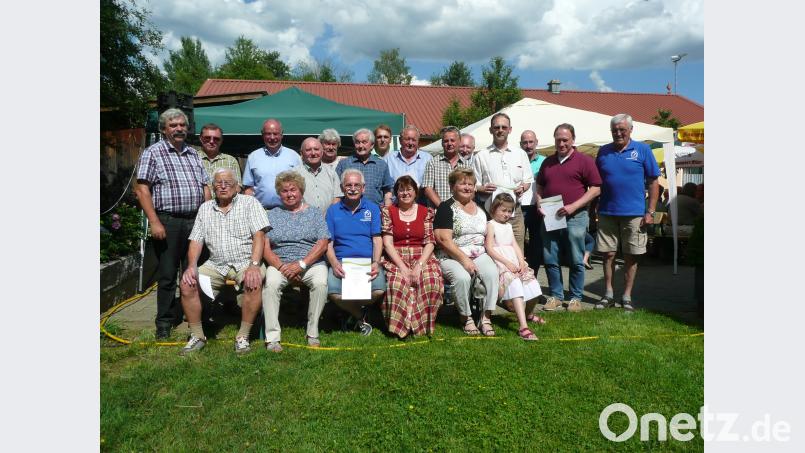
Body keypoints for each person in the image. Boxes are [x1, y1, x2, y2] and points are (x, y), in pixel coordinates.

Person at [135, 108, 211, 339]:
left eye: (182, 125)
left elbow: (205, 187)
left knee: (195, 271)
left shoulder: (193, 154)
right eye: (173, 125)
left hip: (195, 222)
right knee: (168, 275)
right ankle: (165, 322)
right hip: (168, 222)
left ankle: (197, 316)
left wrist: (206, 216)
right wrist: (154, 221)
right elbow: (142, 189)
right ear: (164, 129)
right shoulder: (153, 153)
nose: (178, 129)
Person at [177, 168, 269, 355]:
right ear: (213, 187)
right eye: (218, 182)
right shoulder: (205, 208)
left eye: (228, 182)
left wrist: (254, 265)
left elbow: (259, 236)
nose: (223, 185)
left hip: (245, 261)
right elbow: (196, 240)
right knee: (187, 283)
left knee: (254, 280)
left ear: (237, 187)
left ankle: (243, 336)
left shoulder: (250, 202)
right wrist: (192, 266)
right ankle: (197, 336)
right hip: (215, 264)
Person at [594, 113, 661, 311]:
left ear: (631, 130)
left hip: (635, 214)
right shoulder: (603, 151)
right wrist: (593, 207)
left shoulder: (643, 150)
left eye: (622, 129)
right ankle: (607, 294)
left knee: (631, 256)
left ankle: (627, 295)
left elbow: (653, 181)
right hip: (607, 211)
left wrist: (650, 211)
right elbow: (596, 182)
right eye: (614, 130)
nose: (618, 133)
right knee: (608, 254)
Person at [535, 123, 602, 312]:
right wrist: (539, 202)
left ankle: (575, 297)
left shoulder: (585, 161)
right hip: (550, 216)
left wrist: (574, 206)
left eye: (565, 140)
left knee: (575, 258)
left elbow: (596, 188)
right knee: (550, 257)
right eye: (558, 140)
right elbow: (539, 187)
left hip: (576, 216)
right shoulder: (547, 162)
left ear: (573, 140)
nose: (561, 143)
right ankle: (556, 296)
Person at [262, 171, 331, 351]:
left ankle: (312, 332)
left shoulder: (315, 213)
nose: (289, 194)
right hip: (280, 264)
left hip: (310, 263)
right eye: (284, 191)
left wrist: (301, 265)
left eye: (293, 190)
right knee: (271, 284)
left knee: (320, 282)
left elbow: (323, 243)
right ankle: (272, 337)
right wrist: (282, 267)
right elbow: (265, 247)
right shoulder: (271, 214)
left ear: (301, 191)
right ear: (279, 193)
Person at [434, 168, 500, 336]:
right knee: (462, 277)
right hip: (451, 256)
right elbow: (443, 240)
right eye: (462, 183)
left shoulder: (481, 208)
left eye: (470, 184)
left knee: (492, 273)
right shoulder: (445, 208)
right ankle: (466, 317)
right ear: (452, 186)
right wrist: (464, 260)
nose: (467, 187)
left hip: (479, 253)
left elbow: (491, 233)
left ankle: (485, 318)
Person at [380, 176, 443, 339]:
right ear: (396, 193)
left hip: (422, 255)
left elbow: (430, 242)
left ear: (415, 192)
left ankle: (420, 326)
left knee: (431, 282)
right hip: (396, 256)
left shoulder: (426, 211)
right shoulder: (388, 212)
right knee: (397, 284)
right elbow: (387, 243)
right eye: (401, 190)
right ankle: (400, 328)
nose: (405, 193)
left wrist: (419, 265)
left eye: (409, 189)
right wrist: (402, 267)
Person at [325, 169, 387, 335]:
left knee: (379, 290)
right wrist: (334, 263)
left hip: (367, 262)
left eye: (356, 185)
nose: (352, 188)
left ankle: (349, 312)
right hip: (342, 263)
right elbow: (328, 243)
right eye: (348, 185)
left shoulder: (372, 209)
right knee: (333, 292)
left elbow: (377, 239)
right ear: (342, 187)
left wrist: (376, 262)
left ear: (363, 188)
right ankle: (361, 314)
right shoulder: (333, 210)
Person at [484, 193, 544, 341]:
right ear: (493, 209)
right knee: (516, 285)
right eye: (503, 210)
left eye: (509, 211)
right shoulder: (491, 225)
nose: (506, 214)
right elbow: (490, 248)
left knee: (534, 286)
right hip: (500, 262)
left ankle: (528, 314)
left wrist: (521, 261)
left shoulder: (509, 226)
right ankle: (523, 327)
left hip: (513, 261)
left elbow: (514, 245)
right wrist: (506, 263)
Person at [473, 113, 533, 252]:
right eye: (497, 127)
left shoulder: (520, 154)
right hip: (491, 213)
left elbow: (528, 180)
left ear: (510, 130)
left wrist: (523, 187)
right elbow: (474, 186)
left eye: (504, 127)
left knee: (518, 252)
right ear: (491, 130)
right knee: (494, 253)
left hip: (515, 213)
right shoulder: (481, 155)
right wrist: (483, 188)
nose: (500, 130)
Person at [243, 118, 302, 209]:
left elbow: (301, 186)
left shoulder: (294, 156)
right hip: (261, 211)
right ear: (262, 135)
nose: (272, 137)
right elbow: (248, 188)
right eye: (268, 134)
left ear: (282, 134)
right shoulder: (253, 157)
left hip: (288, 211)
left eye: (275, 134)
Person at [335, 128, 394, 206]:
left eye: (364, 142)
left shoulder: (381, 165)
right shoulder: (344, 164)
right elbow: (335, 191)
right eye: (357, 142)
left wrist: (387, 210)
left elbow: (387, 190)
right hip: (349, 213)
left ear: (372, 145)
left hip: (375, 213)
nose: (360, 146)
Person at [422, 126, 473, 208]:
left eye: (452, 140)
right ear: (442, 143)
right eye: (446, 141)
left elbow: (471, 190)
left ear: (459, 142)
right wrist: (443, 207)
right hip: (438, 210)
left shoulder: (467, 165)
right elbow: (428, 189)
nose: (449, 144)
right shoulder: (433, 163)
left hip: (462, 211)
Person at [519, 130, 547, 273]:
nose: (528, 145)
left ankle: (533, 274)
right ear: (520, 144)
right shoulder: (516, 160)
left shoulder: (544, 161)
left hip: (537, 207)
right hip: (519, 207)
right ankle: (521, 273)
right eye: (525, 142)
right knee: (519, 243)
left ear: (536, 142)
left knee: (537, 242)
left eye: (531, 142)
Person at [292, 137, 342, 214]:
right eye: (308, 150)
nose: (313, 153)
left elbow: (337, 197)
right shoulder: (293, 174)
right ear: (301, 153)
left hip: (327, 221)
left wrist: (329, 215)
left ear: (322, 152)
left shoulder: (332, 173)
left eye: (316, 149)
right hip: (302, 221)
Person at [384, 125, 432, 189]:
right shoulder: (388, 159)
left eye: (414, 140)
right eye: (407, 139)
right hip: (395, 198)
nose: (410, 143)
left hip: (421, 198)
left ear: (418, 141)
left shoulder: (428, 159)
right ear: (400, 140)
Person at [198, 123, 242, 191]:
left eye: (216, 139)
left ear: (221, 141)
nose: (211, 141)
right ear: (201, 139)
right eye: (207, 138)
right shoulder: (192, 158)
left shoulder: (231, 161)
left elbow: (237, 187)